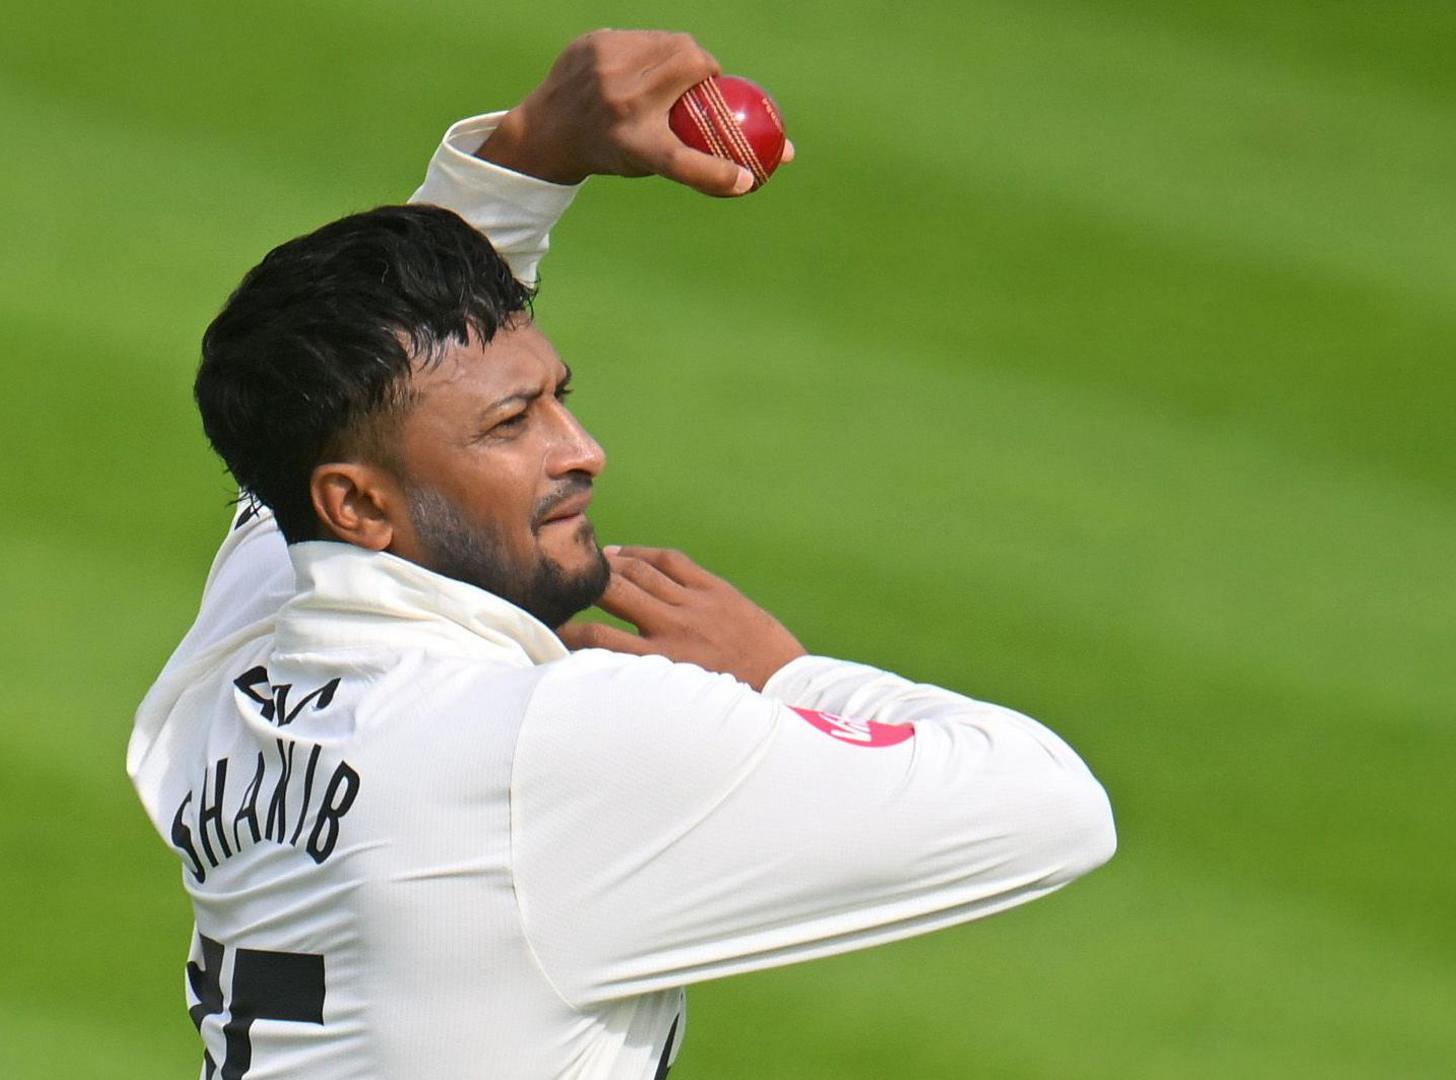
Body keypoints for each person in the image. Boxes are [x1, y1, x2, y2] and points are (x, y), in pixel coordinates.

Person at [128, 30, 1115, 1080]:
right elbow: (1051, 811)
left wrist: (525, 157)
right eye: (512, 424)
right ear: (361, 508)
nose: (582, 451)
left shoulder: (242, 661)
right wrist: (781, 674)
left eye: (560, 395)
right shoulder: (549, 746)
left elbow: (348, 421)